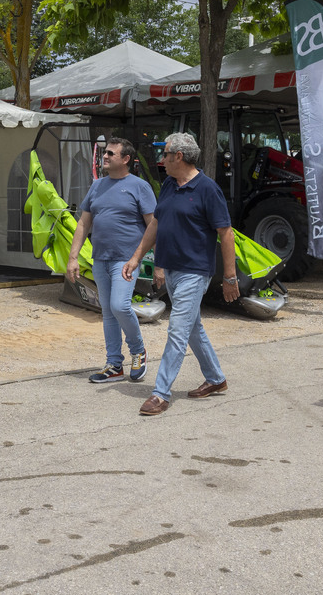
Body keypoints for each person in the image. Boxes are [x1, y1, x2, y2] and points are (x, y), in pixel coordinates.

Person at [123, 133, 238, 416]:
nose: (161, 160)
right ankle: (215, 378)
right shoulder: (169, 186)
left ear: (179, 156)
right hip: (172, 269)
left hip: (194, 272)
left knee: (177, 329)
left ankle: (161, 393)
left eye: (165, 155)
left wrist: (230, 277)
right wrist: (137, 257)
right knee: (192, 327)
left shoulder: (208, 189)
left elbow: (226, 233)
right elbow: (156, 225)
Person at [67, 137, 156, 383]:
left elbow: (154, 225)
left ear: (125, 159)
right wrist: (73, 258)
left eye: (110, 153)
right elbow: (84, 223)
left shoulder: (140, 187)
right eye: (105, 153)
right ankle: (114, 365)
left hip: (127, 260)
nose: (104, 157)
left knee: (119, 306)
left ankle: (138, 351)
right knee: (108, 311)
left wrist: (157, 262)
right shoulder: (97, 186)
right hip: (100, 259)